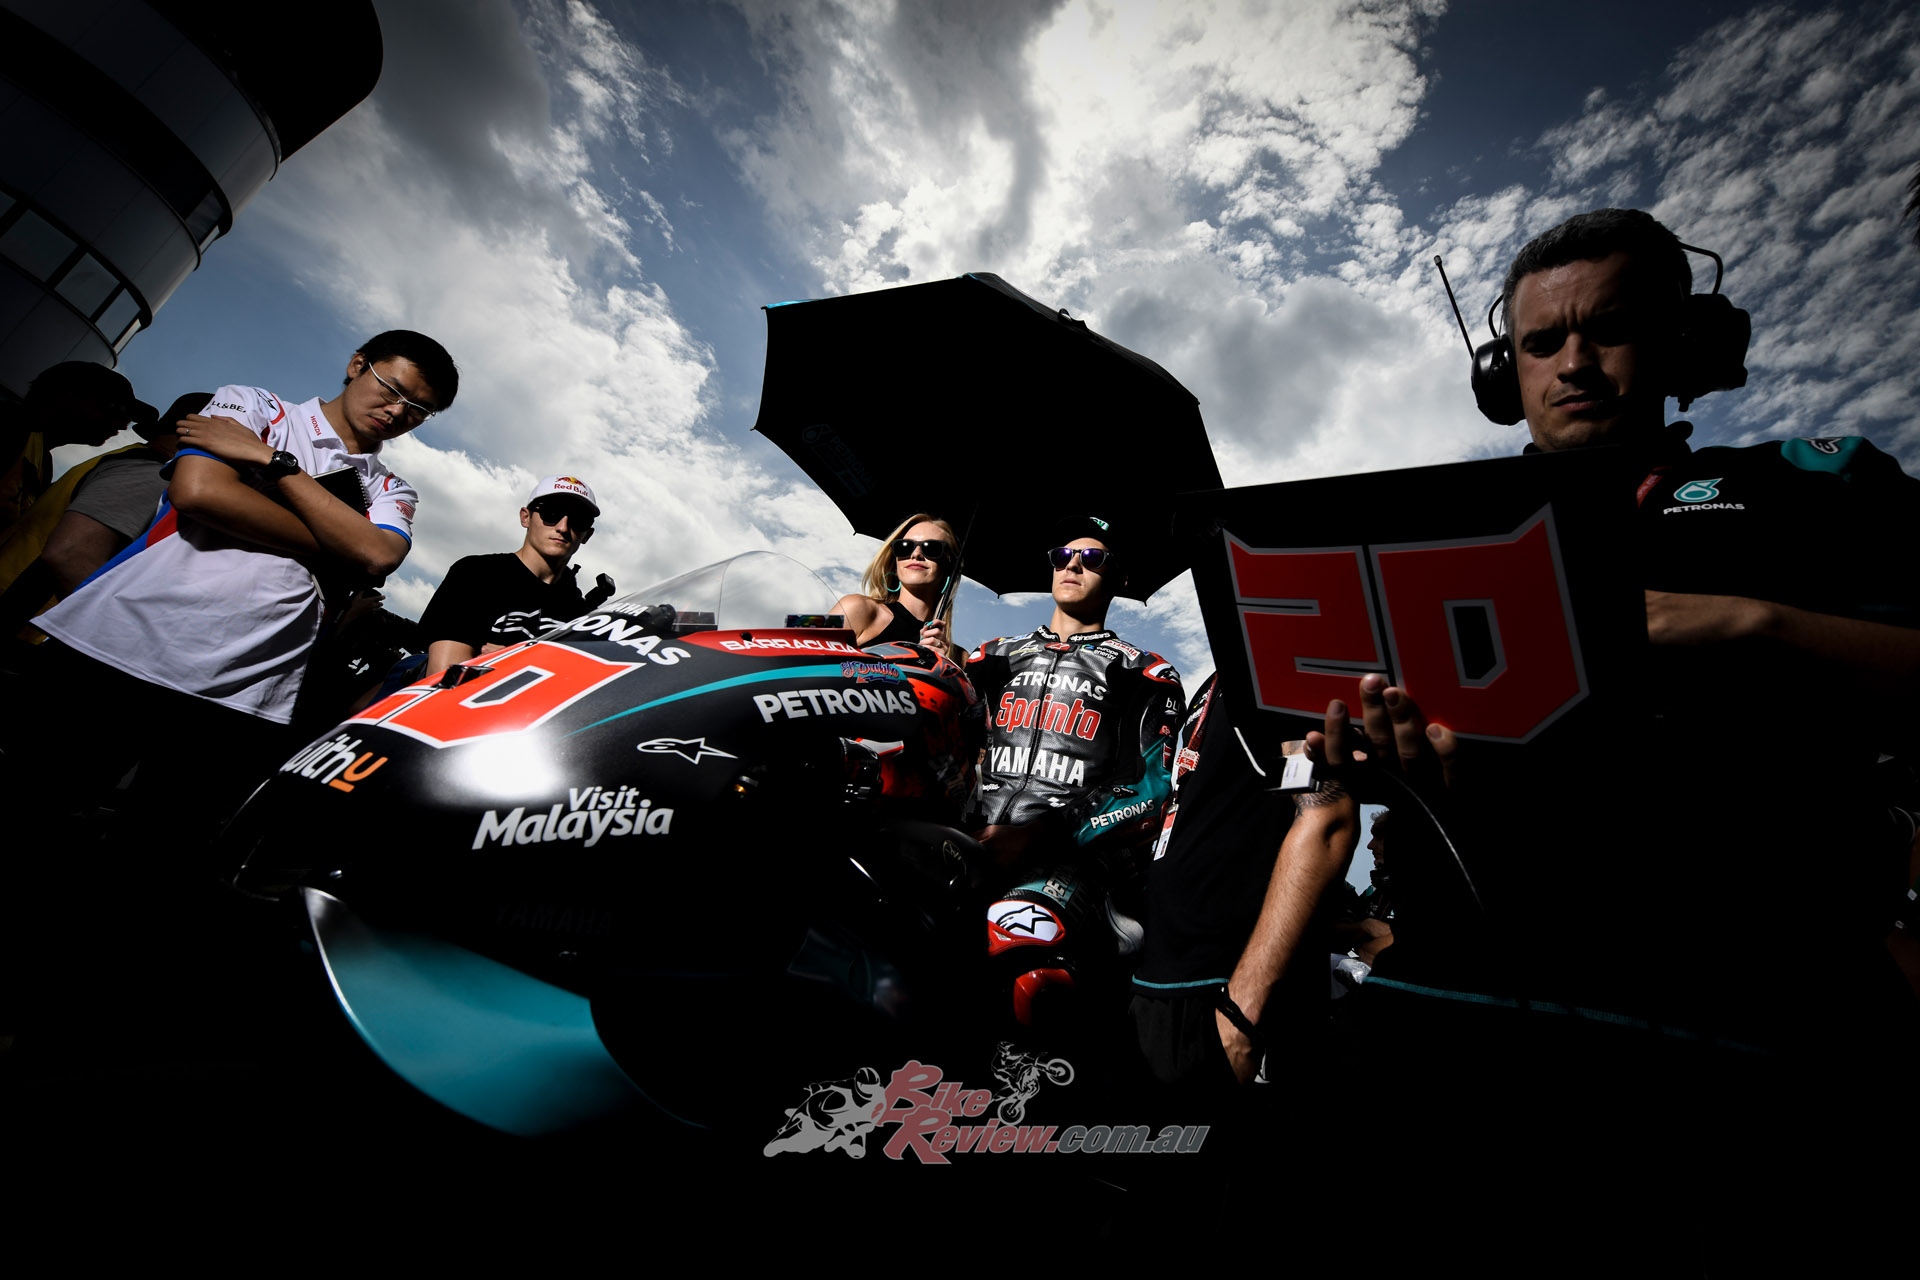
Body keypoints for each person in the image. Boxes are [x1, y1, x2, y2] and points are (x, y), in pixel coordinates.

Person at [1490, 207, 1920, 1049]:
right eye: (1541, 343)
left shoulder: (1819, 485)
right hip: (1487, 1007)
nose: (1574, 364)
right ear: (1505, 373)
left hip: (1776, 1006)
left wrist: (1754, 626)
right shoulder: (1447, 546)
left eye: (1610, 330)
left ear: (1685, 342)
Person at [20, 330, 458, 837]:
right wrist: (340, 545)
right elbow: (199, 492)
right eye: (392, 388)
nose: (398, 411)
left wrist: (274, 463)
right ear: (358, 365)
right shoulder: (255, 406)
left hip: (246, 691)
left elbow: (378, 555)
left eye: (419, 409)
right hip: (118, 648)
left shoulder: (391, 487)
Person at [0, 392, 205, 646]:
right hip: (13, 620)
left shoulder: (132, 459)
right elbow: (70, 554)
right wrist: (113, 640)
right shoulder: (152, 476)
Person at [418, 475, 607, 677]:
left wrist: (513, 662)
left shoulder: (582, 615)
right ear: (525, 517)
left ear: (587, 534)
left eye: (579, 520)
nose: (562, 527)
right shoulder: (476, 575)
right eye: (551, 513)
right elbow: (444, 678)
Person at [0, 362, 156, 540]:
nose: (122, 425)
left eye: (128, 419)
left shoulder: (43, 463)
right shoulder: (9, 424)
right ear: (66, 392)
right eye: (114, 408)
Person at [831, 512, 959, 659]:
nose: (916, 554)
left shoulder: (958, 656)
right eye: (904, 547)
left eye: (931, 548)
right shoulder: (855, 607)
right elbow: (807, 648)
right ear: (895, 564)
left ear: (949, 566)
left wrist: (942, 664)